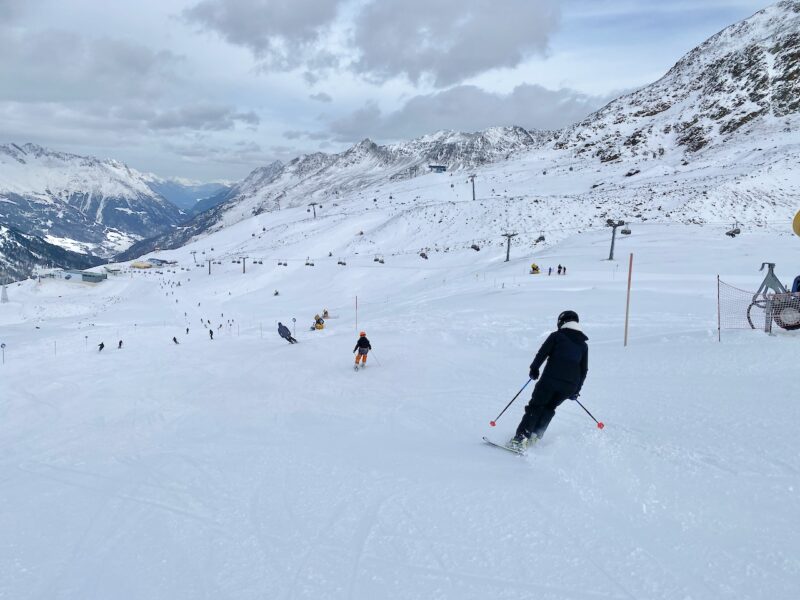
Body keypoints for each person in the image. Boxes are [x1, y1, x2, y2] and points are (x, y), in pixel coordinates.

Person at [508, 310, 588, 451]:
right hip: (569, 386)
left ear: (562, 322)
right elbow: (583, 370)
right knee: (549, 407)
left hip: (550, 380)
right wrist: (576, 390)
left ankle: (520, 440)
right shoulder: (583, 345)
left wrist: (534, 369)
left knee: (536, 406)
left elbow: (543, 353)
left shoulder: (557, 336)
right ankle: (535, 436)